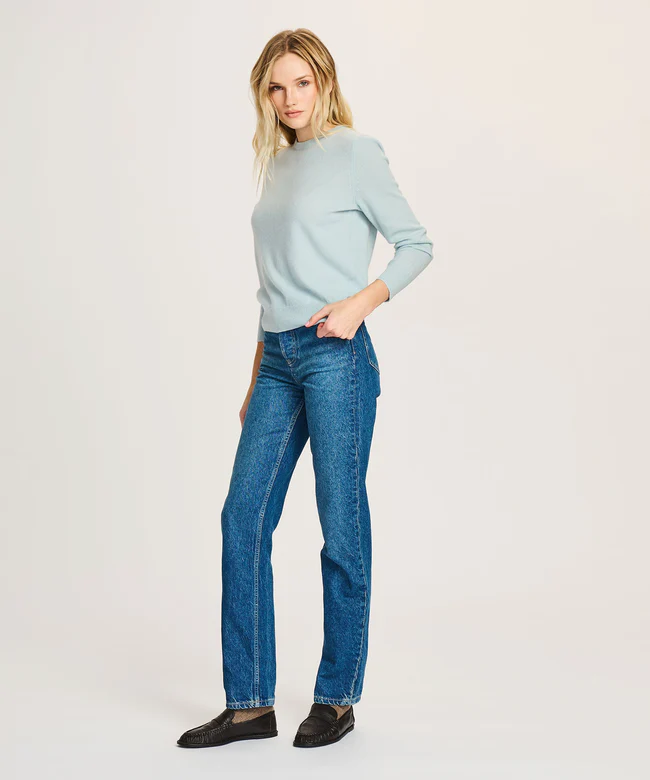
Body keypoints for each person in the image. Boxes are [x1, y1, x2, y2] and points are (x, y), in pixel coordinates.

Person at [177, 28, 433, 750]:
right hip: (279, 361)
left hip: (336, 357)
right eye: (275, 86)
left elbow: (416, 244)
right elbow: (274, 285)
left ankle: (337, 698)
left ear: (325, 82)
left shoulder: (355, 153)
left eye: (302, 83)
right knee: (242, 518)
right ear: (263, 94)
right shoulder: (278, 164)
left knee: (340, 526)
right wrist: (256, 373)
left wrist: (359, 305)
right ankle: (249, 705)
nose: (289, 98)